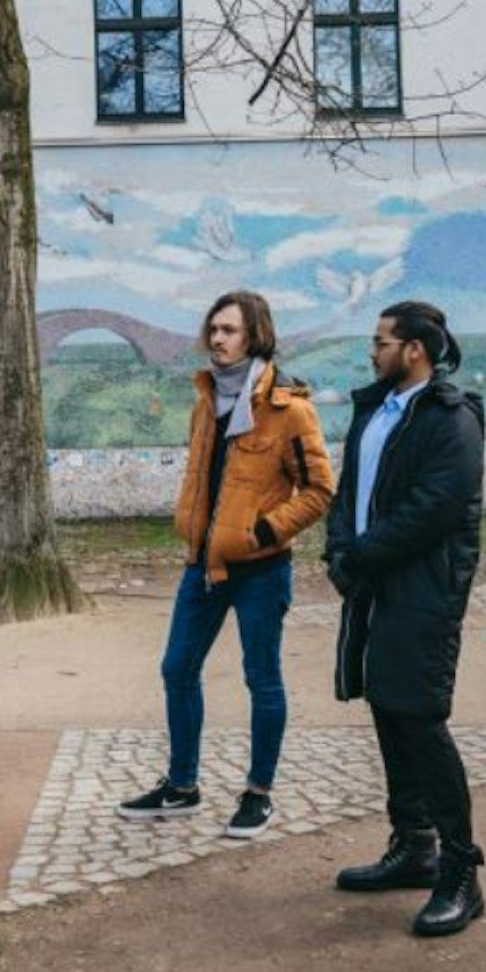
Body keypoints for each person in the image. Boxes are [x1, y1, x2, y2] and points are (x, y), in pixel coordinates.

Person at [117, 291, 334, 839]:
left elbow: (318, 490)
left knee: (261, 677)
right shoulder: (204, 400)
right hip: (202, 563)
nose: (217, 338)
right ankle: (182, 786)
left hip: (261, 568)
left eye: (230, 330)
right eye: (213, 328)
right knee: (177, 668)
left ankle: (259, 792)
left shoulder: (290, 410)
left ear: (255, 334)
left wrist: (264, 530)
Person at [325, 300, 486, 938]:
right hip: (373, 583)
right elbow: (348, 491)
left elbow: (437, 506)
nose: (373, 350)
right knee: (388, 708)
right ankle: (414, 844)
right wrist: (338, 548)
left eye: (381, 340)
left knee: (420, 719)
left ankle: (461, 873)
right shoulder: (374, 409)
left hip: (423, 590)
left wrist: (361, 553)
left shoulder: (452, 416)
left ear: (415, 348)